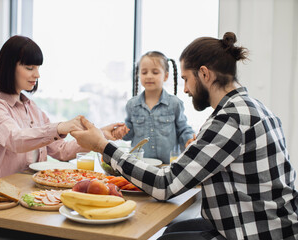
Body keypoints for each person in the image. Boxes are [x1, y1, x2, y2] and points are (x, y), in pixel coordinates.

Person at [71, 32, 298, 240]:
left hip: (259, 232)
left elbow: (165, 186)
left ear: (204, 74)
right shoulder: (250, 108)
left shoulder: (230, 119)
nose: (186, 89)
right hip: (271, 222)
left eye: (187, 79)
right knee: (172, 229)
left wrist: (103, 146)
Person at [0, 35, 122, 183]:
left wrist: (99, 136)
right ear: (9, 67)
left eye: (38, 68)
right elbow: (15, 140)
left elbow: (62, 151)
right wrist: (59, 128)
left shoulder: (33, 109)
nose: (37, 75)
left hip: (25, 189)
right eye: (29, 68)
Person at [113, 51, 196, 163]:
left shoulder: (175, 103)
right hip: (139, 166)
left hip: (168, 166)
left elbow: (183, 129)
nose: (149, 76)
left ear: (166, 76)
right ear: (138, 75)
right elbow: (129, 133)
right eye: (144, 72)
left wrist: (189, 139)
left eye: (155, 72)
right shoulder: (132, 105)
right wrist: (121, 132)